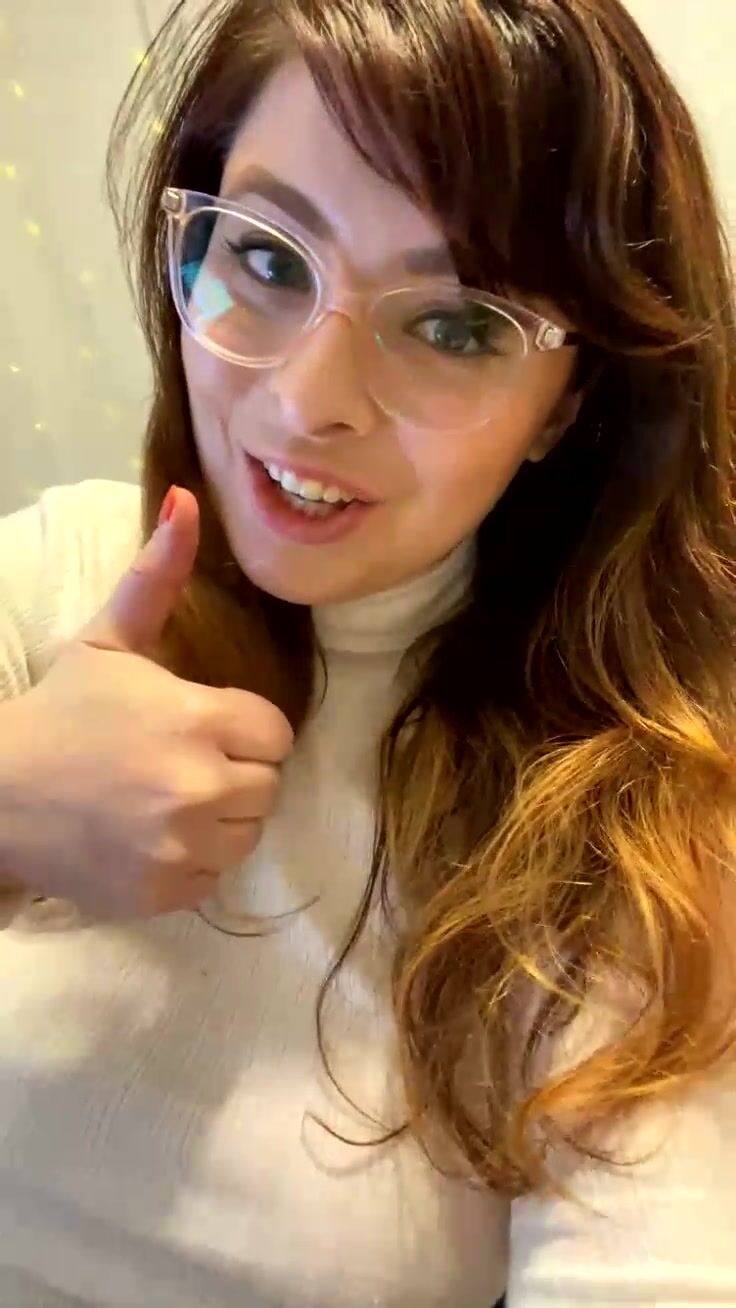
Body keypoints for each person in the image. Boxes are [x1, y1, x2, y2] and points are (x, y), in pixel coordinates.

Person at [0, 0, 734, 1303]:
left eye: (453, 326)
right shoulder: (57, 576)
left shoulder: (630, 833)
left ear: (567, 402)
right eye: (268, 257)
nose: (307, 401)